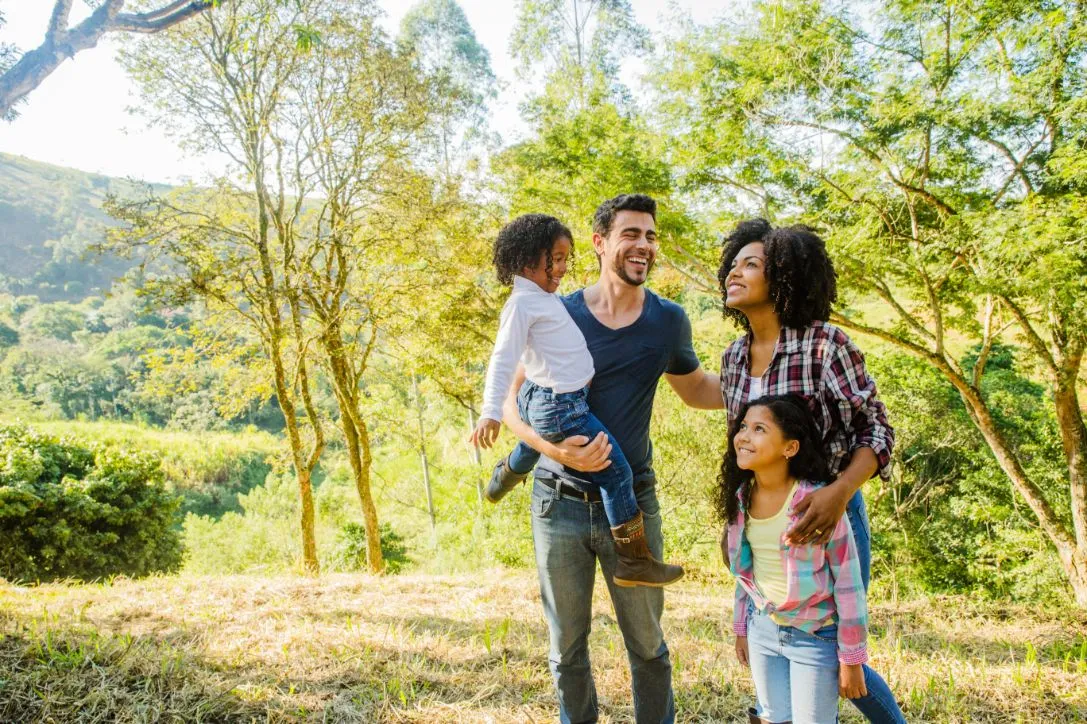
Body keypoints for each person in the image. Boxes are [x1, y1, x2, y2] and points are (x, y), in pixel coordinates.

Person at [490, 194, 725, 724]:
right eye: (631, 234)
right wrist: (550, 448)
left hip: (633, 502)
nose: (644, 245)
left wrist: (764, 377)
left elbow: (698, 390)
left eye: (650, 235)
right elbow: (512, 397)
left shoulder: (668, 321)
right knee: (567, 647)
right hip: (559, 503)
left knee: (647, 645)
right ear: (600, 242)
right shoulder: (557, 309)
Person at [718, 219, 907, 723]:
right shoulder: (734, 359)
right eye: (733, 263)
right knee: (772, 629)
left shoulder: (825, 346)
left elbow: (877, 432)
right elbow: (742, 450)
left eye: (750, 264)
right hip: (760, 520)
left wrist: (839, 494)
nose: (734, 271)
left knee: (829, 643)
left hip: (827, 516)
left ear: (783, 277)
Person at [470, 213, 682, 587]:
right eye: (556, 259)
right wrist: (490, 412)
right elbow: (503, 359)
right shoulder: (522, 305)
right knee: (618, 474)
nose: (564, 268)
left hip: (550, 396)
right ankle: (634, 560)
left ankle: (507, 474)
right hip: (560, 403)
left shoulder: (542, 298)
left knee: (542, 433)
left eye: (566, 258)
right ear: (527, 259)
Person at [720, 394, 869, 724]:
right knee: (771, 717)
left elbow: (849, 586)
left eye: (759, 428)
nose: (743, 436)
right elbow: (745, 573)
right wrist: (742, 628)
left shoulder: (817, 504)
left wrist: (852, 659)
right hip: (763, 631)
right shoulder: (742, 499)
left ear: (790, 447)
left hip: (815, 636)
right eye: (743, 426)